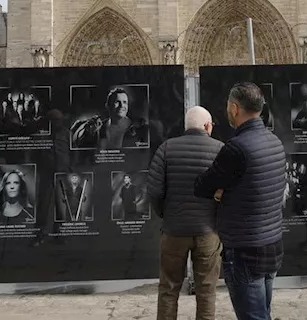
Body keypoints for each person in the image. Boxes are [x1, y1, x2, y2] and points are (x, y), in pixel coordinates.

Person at [195, 83, 287, 320]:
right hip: (272, 244)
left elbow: (203, 186)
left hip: (246, 251)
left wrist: (219, 193)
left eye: (228, 105)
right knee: (262, 313)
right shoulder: (274, 142)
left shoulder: (236, 149)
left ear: (235, 108)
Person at [146, 106, 225, 320]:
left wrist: (165, 214)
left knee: (169, 289)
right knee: (207, 291)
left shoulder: (166, 149)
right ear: (207, 126)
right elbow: (229, 191)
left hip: (174, 231)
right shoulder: (220, 150)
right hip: (208, 231)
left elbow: (154, 190)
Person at [71, 86, 150, 149]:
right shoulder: (98, 127)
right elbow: (77, 145)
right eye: (117, 102)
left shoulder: (139, 127)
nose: (122, 106)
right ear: (108, 106)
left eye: (125, 102)